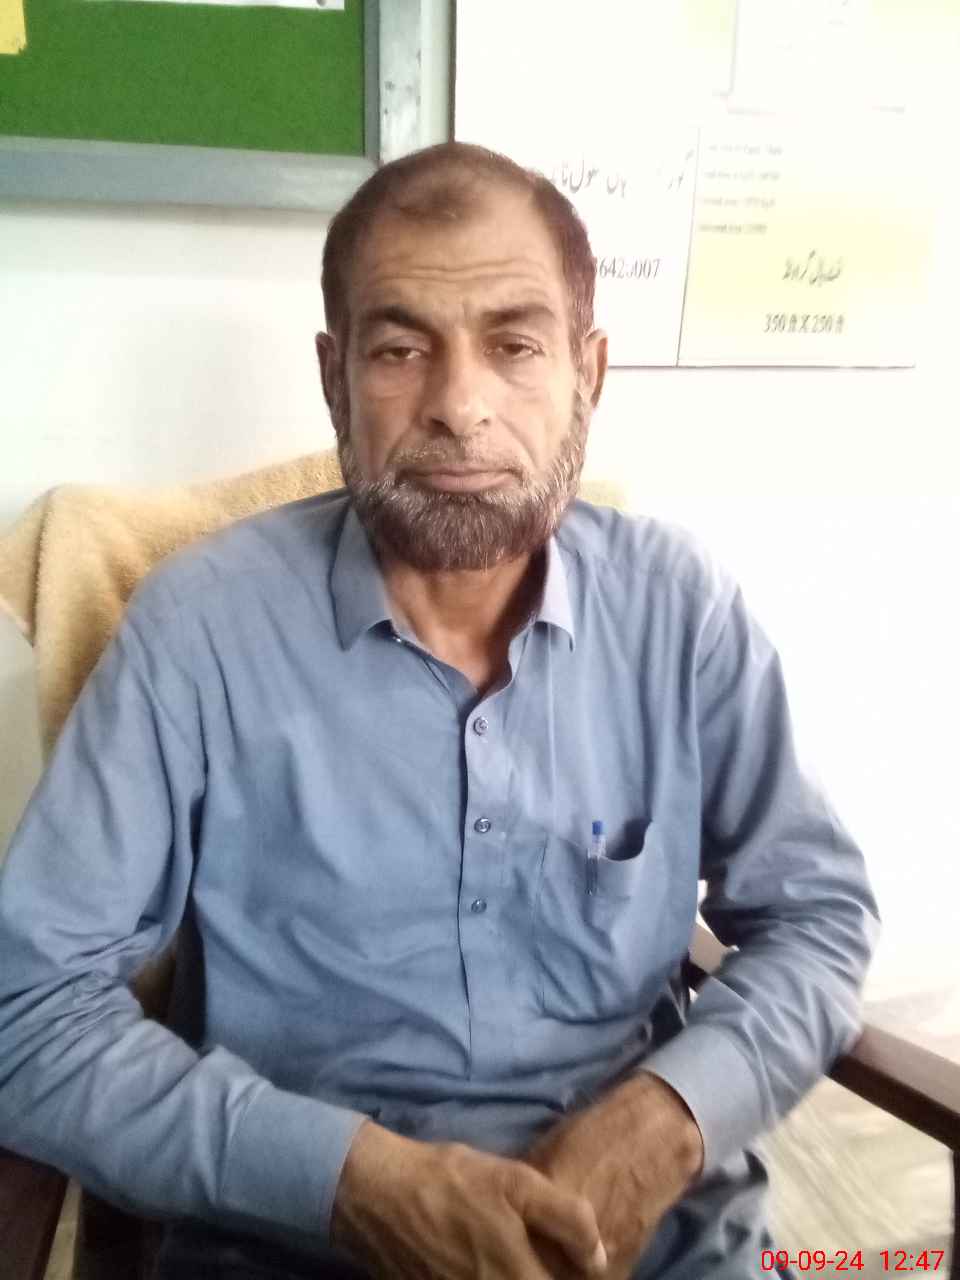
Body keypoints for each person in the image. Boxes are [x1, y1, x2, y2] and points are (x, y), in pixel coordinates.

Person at [0, 142, 879, 1280]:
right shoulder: (198, 630)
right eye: (401, 348)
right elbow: (25, 1010)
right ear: (335, 378)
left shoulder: (680, 612)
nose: (460, 406)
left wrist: (670, 1116)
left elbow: (820, 917)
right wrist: (347, 1181)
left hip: (656, 1247)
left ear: (588, 373)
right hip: (293, 1249)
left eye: (514, 345)